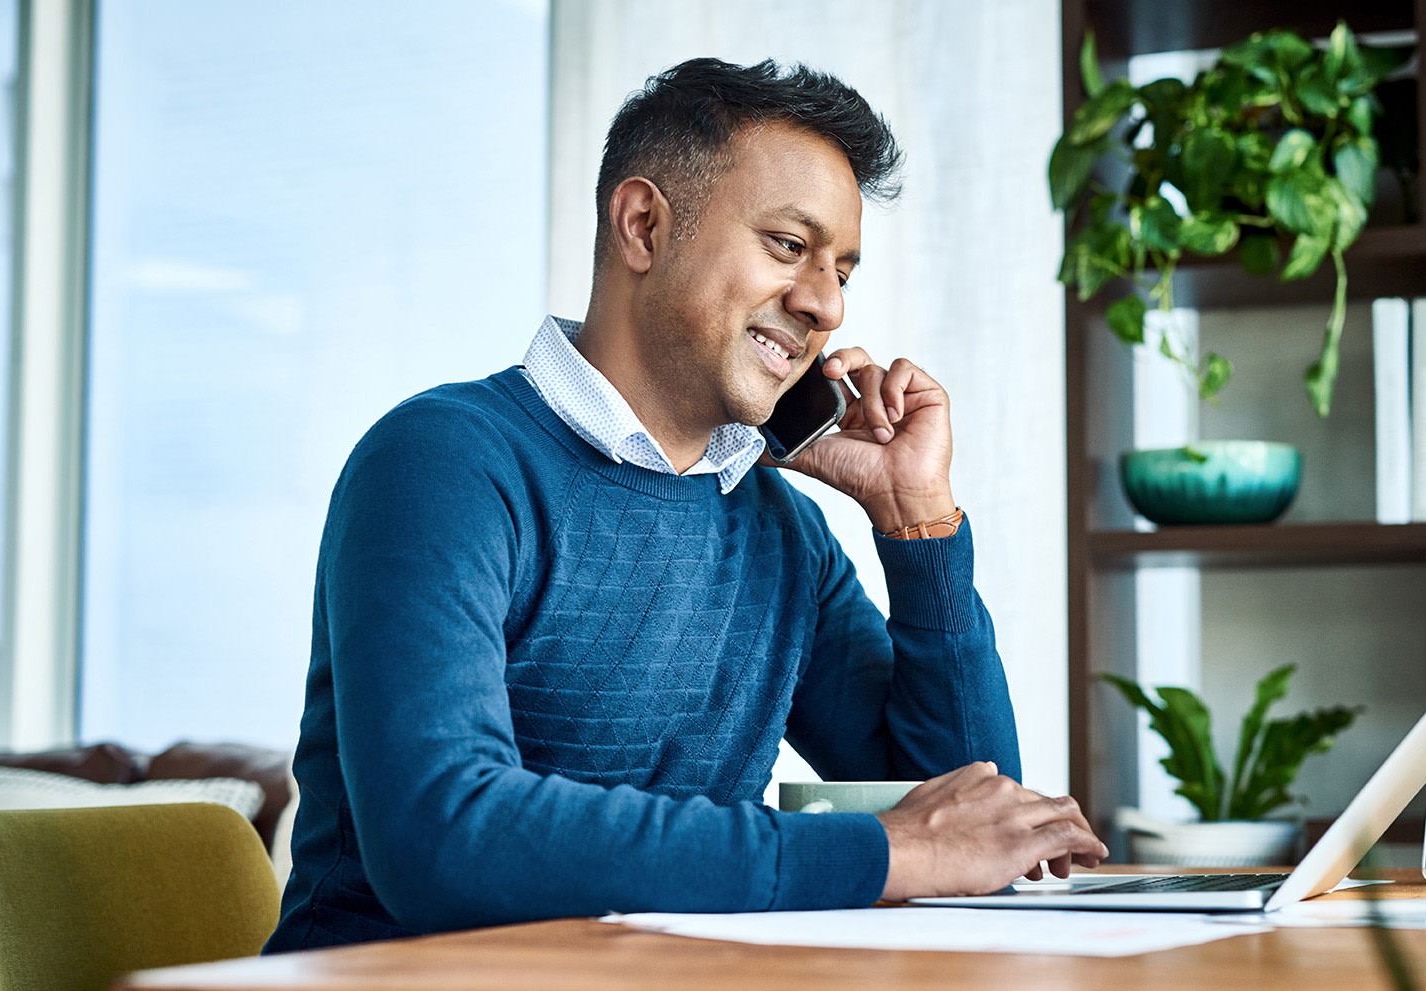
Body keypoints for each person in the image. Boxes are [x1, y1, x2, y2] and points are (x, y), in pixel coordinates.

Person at [264, 56, 1105, 952]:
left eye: (842, 272)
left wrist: (917, 522)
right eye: (789, 245)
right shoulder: (443, 462)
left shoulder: (780, 529)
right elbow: (445, 835)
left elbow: (964, 818)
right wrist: (882, 850)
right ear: (642, 225)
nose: (823, 303)